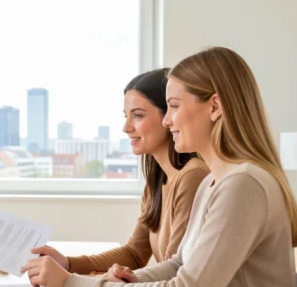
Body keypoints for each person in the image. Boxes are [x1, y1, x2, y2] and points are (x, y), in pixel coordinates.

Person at [23, 47, 297, 287]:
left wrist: (72, 285)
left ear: (215, 106)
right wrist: (130, 280)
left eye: (174, 106)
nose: (167, 119)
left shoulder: (243, 186)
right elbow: (178, 265)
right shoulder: (215, 182)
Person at [31, 68, 209, 274]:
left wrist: (79, 283)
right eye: (126, 116)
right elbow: (134, 253)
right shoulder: (158, 180)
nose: (126, 127)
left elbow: (173, 272)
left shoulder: (192, 177)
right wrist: (67, 264)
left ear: (168, 116)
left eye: (138, 116)